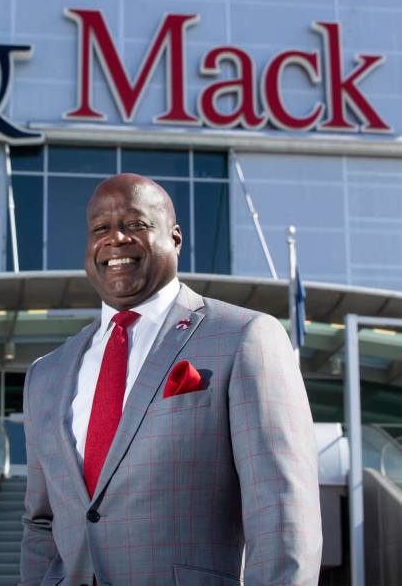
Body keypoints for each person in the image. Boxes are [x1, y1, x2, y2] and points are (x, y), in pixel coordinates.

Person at [20, 173, 322, 586]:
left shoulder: (244, 336)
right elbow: (41, 522)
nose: (116, 239)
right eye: (101, 229)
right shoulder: (46, 374)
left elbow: (282, 509)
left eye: (135, 224)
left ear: (175, 239)